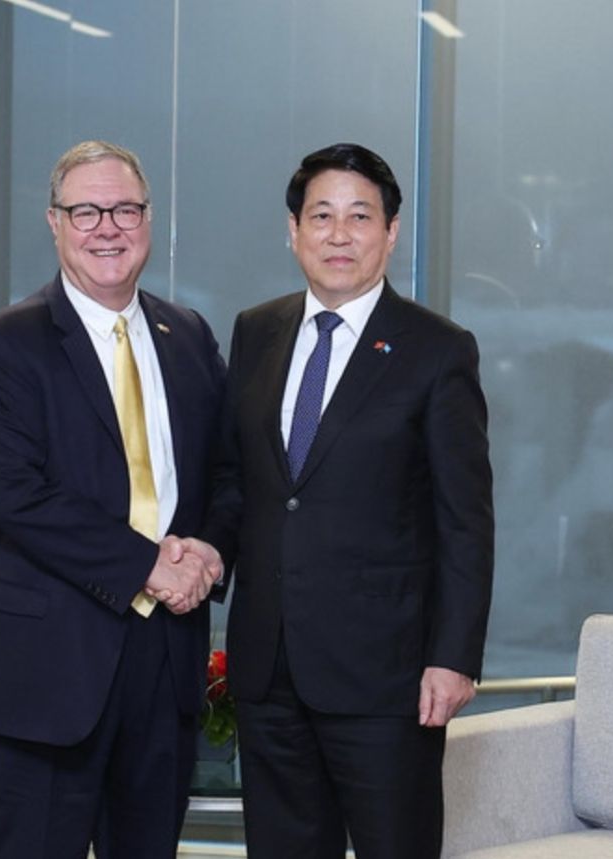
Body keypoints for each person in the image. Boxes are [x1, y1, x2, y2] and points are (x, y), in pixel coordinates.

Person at [0, 140, 225, 859]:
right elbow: (17, 497)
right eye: (86, 211)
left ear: (148, 220)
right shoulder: (4, 346)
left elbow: (226, 468)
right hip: (42, 667)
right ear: (54, 222)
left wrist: (210, 549)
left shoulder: (186, 335)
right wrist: (149, 565)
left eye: (125, 210)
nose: (107, 228)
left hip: (164, 662)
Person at [202, 142, 494, 859]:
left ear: (390, 232)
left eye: (360, 216)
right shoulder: (256, 331)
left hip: (386, 678)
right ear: (293, 230)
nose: (339, 234)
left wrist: (454, 657)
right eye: (321, 215)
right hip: (269, 668)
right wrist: (203, 555)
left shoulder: (437, 349)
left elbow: (465, 520)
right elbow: (240, 479)